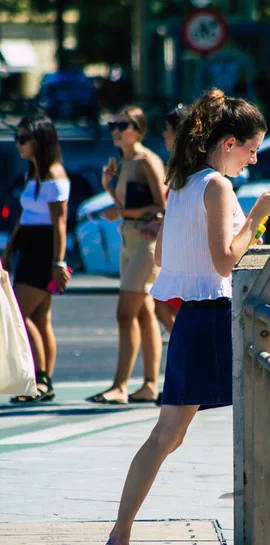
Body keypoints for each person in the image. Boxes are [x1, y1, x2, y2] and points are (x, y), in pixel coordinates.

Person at [100, 88, 270, 545]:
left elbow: (163, 256)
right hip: (215, 316)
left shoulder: (181, 183)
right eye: (251, 149)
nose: (254, 159)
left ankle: (120, 535)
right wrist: (258, 215)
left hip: (191, 319)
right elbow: (226, 261)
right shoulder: (218, 186)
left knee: (167, 434)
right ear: (228, 143)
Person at [85, 106, 167, 405]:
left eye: (124, 125)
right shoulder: (123, 162)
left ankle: (119, 387)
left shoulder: (147, 161)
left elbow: (162, 205)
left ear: (139, 130)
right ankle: (148, 385)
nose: (117, 130)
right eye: (113, 125)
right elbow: (127, 204)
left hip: (147, 240)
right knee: (144, 314)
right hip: (128, 239)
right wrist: (109, 186)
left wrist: (119, 211)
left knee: (125, 313)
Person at [1, 115, 71, 403]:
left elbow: (60, 223)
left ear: (39, 142)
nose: (18, 145)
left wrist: (58, 262)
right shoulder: (33, 173)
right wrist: (9, 248)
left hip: (44, 250)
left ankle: (40, 379)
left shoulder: (54, 174)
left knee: (19, 313)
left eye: (23, 139)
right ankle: (43, 382)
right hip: (27, 246)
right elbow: (25, 215)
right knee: (40, 319)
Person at [142, 103, 191, 334]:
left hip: (187, 260)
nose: (164, 134)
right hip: (175, 257)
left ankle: (182, 344)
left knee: (163, 305)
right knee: (161, 305)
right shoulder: (179, 169)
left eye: (168, 129)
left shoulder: (193, 173)